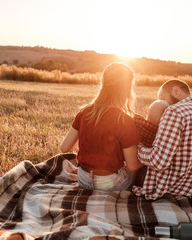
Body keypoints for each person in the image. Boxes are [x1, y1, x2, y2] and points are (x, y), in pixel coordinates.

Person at [132, 79, 192, 203]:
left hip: (173, 191)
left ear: (176, 91)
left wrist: (137, 148)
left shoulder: (174, 111)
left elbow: (158, 162)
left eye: (162, 99)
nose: (162, 104)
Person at [61, 62, 143, 191]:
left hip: (83, 179)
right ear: (126, 88)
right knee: (137, 171)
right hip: (112, 182)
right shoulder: (123, 120)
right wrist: (145, 161)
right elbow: (132, 166)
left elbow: (64, 147)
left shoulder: (84, 112)